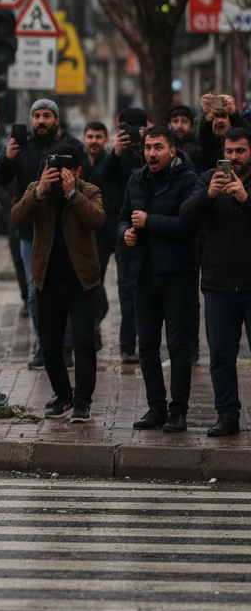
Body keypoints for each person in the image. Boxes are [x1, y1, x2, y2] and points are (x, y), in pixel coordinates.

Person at [11, 141, 105, 423]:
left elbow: (97, 220)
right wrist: (39, 191)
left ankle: (82, 402)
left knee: (83, 342)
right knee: (50, 345)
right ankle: (63, 395)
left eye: (65, 168)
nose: (58, 173)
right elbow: (18, 217)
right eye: (52, 167)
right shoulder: (36, 191)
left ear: (77, 170)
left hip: (82, 282)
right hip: (47, 281)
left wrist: (73, 193)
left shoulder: (89, 190)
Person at [0, 98, 86, 369]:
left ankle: (66, 345)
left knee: (65, 288)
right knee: (35, 292)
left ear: (56, 119)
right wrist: (7, 158)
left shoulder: (71, 146)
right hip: (30, 230)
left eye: (47, 115)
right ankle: (45, 346)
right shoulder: (22, 147)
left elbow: (86, 176)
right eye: (37, 116)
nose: (41, 121)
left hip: (63, 229)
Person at [120, 126, 199, 432]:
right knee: (147, 346)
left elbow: (189, 225)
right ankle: (157, 408)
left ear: (172, 152)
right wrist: (125, 231)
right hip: (143, 273)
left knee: (177, 346)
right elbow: (124, 215)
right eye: (148, 147)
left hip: (178, 274)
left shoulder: (188, 180)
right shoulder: (137, 178)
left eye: (158, 148)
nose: (152, 153)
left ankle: (178, 411)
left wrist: (150, 222)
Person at [180, 126, 251, 436]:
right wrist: (209, 194)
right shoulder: (208, 178)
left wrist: (246, 199)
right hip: (218, 285)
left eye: (240, 151)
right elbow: (186, 217)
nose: (233, 157)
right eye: (229, 152)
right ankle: (227, 415)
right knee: (221, 356)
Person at [99, 107, 150, 365]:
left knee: (150, 290)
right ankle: (128, 347)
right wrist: (117, 152)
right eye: (125, 129)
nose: (130, 134)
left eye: (135, 128)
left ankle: (148, 344)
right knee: (127, 290)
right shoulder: (117, 156)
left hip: (151, 228)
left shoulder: (151, 150)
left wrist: (145, 146)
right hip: (124, 229)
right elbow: (104, 178)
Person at [83, 120, 112, 350]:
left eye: (98, 137)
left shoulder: (111, 160)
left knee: (97, 280)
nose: (94, 141)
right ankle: (92, 325)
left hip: (106, 232)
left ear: (106, 139)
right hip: (84, 231)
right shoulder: (78, 162)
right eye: (90, 136)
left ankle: (95, 322)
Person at [196, 95, 251, 174]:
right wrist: (206, 119)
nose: (219, 121)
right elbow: (202, 139)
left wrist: (234, 114)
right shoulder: (205, 149)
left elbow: (248, 136)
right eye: (216, 117)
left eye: (223, 116)